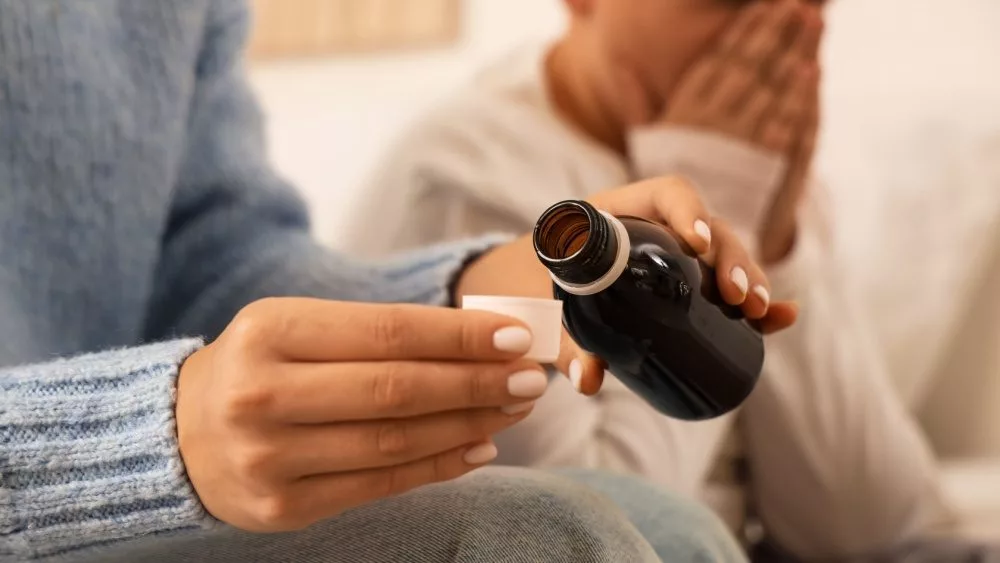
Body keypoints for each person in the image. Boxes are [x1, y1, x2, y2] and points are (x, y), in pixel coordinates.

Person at [0, 2, 796, 562]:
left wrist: (481, 284)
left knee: (671, 535)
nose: (781, 35)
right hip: (55, 498)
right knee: (543, 539)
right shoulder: (464, 157)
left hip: (142, 486)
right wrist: (146, 436)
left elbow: (207, 256)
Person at [344, 0, 984, 559]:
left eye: (814, 2)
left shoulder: (750, 158)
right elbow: (597, 530)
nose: (786, 35)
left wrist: (777, 243)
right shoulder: (469, 178)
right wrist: (713, 193)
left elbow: (866, 525)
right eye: (730, 2)